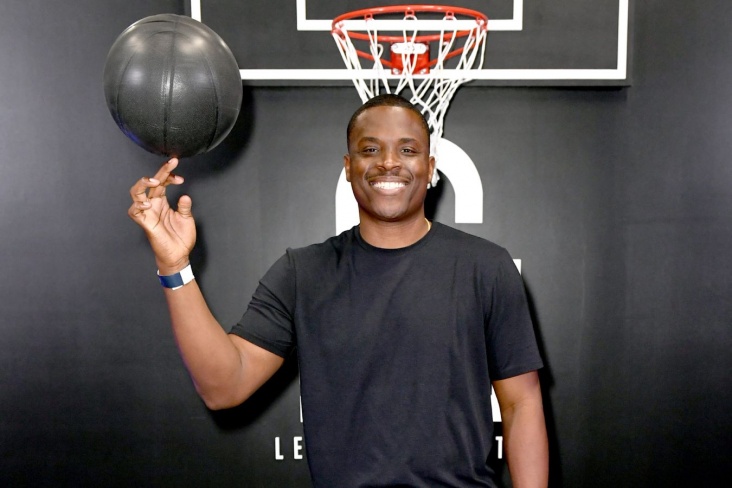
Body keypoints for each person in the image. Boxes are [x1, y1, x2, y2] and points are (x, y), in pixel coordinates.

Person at [128, 94, 549, 487]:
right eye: (370, 149)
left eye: (407, 150)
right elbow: (224, 387)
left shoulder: (485, 267)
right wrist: (174, 265)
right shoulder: (302, 273)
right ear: (348, 167)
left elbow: (521, 405)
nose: (389, 162)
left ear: (430, 166)